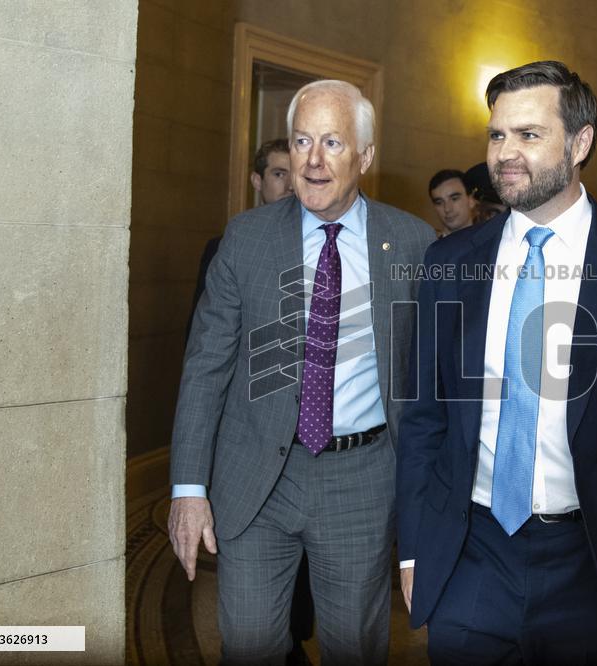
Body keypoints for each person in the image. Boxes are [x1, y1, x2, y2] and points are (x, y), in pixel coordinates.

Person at [397, 60, 597, 666]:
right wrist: (415, 548)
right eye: (497, 135)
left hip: (590, 561)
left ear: (581, 142)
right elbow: (423, 416)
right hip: (471, 552)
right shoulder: (449, 261)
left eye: (528, 135)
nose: (505, 154)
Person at [169, 79, 434, 665]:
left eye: (333, 143)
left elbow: (431, 385)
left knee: (355, 649)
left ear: (365, 156)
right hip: (256, 477)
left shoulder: (414, 244)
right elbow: (206, 366)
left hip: (361, 479)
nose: (312, 161)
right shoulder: (246, 238)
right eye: (302, 141)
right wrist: (188, 488)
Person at [189, 139, 294, 317]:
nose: (290, 186)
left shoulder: (319, 242)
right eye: (279, 174)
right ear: (257, 181)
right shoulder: (226, 246)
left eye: (297, 175)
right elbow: (207, 328)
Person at [428, 169, 476, 237]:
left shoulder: (491, 241)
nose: (447, 209)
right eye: (439, 203)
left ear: (471, 200)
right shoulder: (428, 245)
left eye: (454, 199)